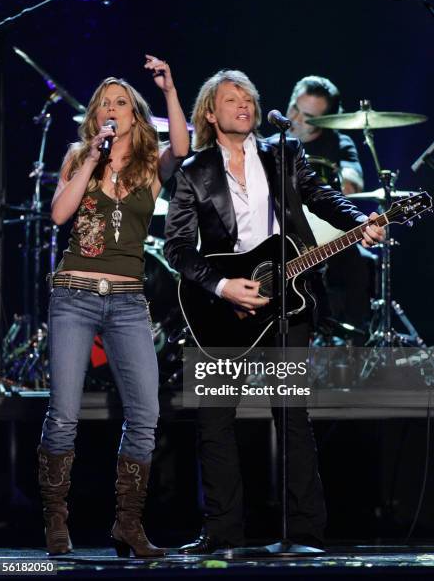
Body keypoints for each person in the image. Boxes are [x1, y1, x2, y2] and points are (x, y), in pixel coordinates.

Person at [164, 70, 385, 553]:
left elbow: (322, 198)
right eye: (231, 98)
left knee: (292, 416)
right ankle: (220, 531)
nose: (243, 104)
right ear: (210, 112)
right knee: (215, 419)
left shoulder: (283, 152)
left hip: (290, 303)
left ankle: (304, 531)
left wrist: (359, 221)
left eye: (248, 97)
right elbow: (176, 247)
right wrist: (223, 286)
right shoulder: (194, 171)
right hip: (222, 309)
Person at [37, 55, 189, 557]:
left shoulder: (151, 164)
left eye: (121, 103)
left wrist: (169, 89)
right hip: (74, 297)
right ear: (95, 116)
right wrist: (90, 158)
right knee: (63, 414)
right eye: (105, 104)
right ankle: (56, 525)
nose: (112, 109)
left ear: (135, 114)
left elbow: (184, 149)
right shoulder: (79, 156)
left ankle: (128, 524)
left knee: (145, 413)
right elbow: (60, 213)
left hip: (127, 302)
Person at [270, 75, 377, 338]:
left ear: (325, 120)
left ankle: (345, 347)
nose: (294, 118)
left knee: (358, 265)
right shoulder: (270, 145)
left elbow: (352, 186)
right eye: (294, 107)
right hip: (277, 239)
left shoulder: (339, 145)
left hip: (327, 241)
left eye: (307, 116)